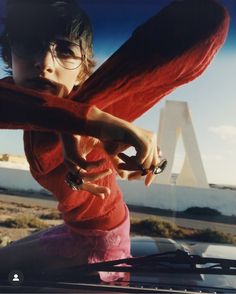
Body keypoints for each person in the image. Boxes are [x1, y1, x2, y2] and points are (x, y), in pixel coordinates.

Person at [0, 0, 229, 282]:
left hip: (98, 241)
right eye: (28, 45)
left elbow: (209, 20)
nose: (45, 63)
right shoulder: (60, 110)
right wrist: (91, 122)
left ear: (83, 70)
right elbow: (29, 108)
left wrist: (92, 123)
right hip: (86, 229)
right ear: (9, 56)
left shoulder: (91, 106)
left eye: (65, 51)